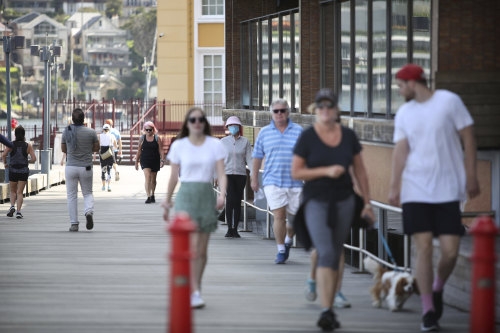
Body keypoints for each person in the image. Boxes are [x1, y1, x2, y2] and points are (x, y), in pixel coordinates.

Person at [388, 64, 480, 331]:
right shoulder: (405, 113)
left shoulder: (449, 101)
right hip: (415, 189)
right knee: (424, 246)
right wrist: (395, 186)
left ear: (413, 82)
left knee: (451, 251)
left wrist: (472, 175)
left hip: (449, 189)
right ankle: (428, 309)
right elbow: (400, 151)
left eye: (400, 85)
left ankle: (437, 287)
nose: (399, 90)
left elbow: (469, 137)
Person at [291, 88, 375, 331]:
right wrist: (325, 171)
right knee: (326, 251)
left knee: (337, 249)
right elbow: (296, 172)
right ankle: (326, 310)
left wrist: (367, 203)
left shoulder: (348, 135)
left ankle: (331, 301)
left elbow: (360, 172)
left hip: (344, 200)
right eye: (320, 107)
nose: (325, 110)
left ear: (336, 110)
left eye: (329, 106)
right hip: (316, 200)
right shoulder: (308, 137)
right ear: (315, 110)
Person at [163, 107, 227, 309]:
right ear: (188, 123)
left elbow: (221, 173)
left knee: (201, 249)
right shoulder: (179, 146)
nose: (197, 122)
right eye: (193, 119)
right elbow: (174, 176)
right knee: (190, 247)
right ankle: (191, 290)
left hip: (206, 194)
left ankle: (196, 288)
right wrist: (167, 200)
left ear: (204, 122)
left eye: (200, 119)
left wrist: (222, 194)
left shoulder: (214, 144)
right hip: (186, 196)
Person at [251, 98, 303, 264]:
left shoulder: (299, 131)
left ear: (288, 112)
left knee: (294, 220)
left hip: (295, 182)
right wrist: (254, 179)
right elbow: (257, 157)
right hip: (272, 180)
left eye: (283, 110)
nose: (279, 114)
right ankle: (281, 250)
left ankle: (288, 240)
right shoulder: (264, 133)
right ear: (271, 113)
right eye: (276, 111)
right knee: (279, 215)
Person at [62, 108, 100, 232]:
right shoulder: (91, 132)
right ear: (84, 119)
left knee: (72, 196)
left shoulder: (66, 131)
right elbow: (96, 148)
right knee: (88, 192)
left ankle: (74, 224)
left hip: (71, 166)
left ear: (72, 119)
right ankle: (88, 211)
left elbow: (64, 149)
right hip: (86, 166)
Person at [220, 116, 252, 238]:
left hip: (240, 175)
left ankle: (235, 229)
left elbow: (250, 158)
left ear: (239, 127)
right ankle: (229, 228)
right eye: (230, 126)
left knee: (237, 201)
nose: (233, 127)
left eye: (235, 125)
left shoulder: (245, 142)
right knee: (230, 200)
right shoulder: (223, 142)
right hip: (227, 174)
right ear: (227, 127)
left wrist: (253, 173)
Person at [2, 126, 36, 219]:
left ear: (15, 135)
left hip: (13, 170)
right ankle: (18, 212)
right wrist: (27, 161)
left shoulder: (11, 144)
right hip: (23, 171)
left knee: (13, 191)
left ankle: (12, 206)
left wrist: (5, 164)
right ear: (24, 134)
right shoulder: (28, 145)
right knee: (20, 192)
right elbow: (34, 159)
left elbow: (3, 155)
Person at [135, 121, 164, 203]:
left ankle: (153, 194)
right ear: (144, 130)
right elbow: (139, 151)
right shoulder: (142, 138)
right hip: (145, 160)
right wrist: (136, 162)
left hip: (155, 159)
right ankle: (148, 196)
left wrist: (162, 160)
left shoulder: (157, 138)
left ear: (153, 130)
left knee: (153, 179)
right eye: (146, 130)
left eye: (150, 130)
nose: (148, 131)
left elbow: (161, 150)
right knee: (147, 177)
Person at [99, 124, 117, 192]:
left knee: (103, 169)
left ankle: (103, 186)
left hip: (103, 153)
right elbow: (115, 146)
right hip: (110, 153)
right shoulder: (112, 136)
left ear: (103, 129)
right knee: (109, 169)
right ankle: (109, 186)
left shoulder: (100, 136)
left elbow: (98, 145)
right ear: (109, 129)